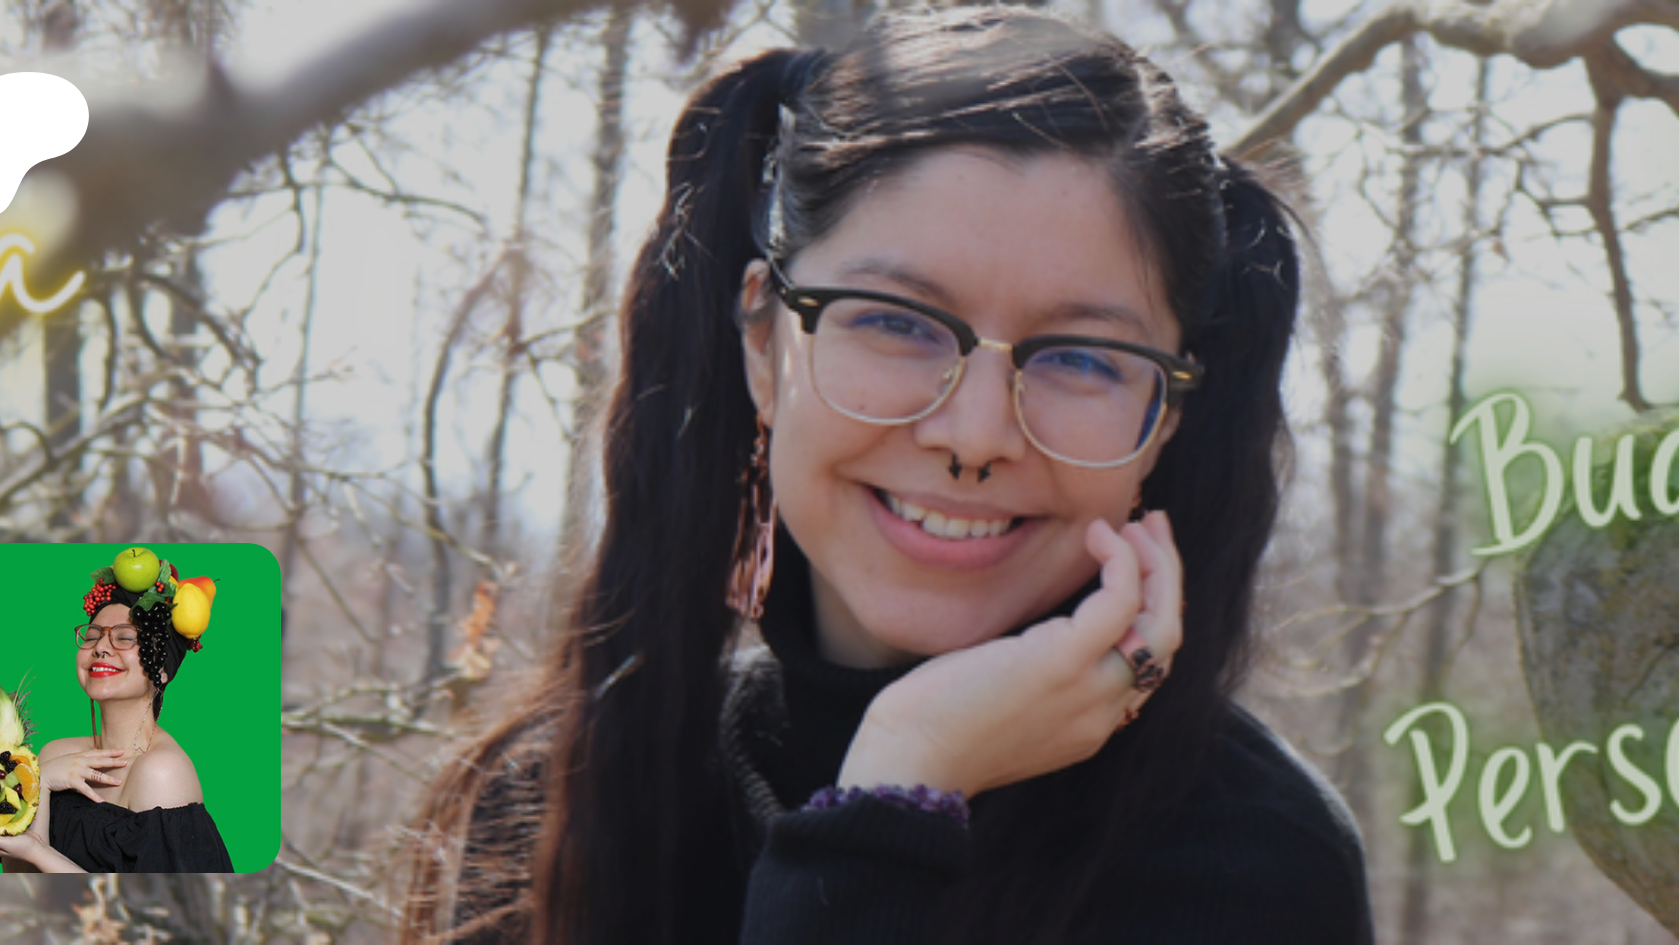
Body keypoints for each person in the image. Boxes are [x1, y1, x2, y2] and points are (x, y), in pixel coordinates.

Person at [401, 7, 1373, 943]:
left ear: (1166, 419)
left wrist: (893, 803)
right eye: (897, 322)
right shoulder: (560, 799)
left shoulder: (1247, 867)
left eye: (1081, 357)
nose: (977, 434)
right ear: (762, 342)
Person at [0, 552, 233, 872]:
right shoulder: (54, 755)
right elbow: (22, 883)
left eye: (124, 637)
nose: (100, 647)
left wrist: (37, 851)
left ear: (161, 669)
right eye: (92, 636)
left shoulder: (161, 772)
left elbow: (161, 902)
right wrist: (36, 789)